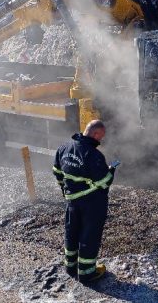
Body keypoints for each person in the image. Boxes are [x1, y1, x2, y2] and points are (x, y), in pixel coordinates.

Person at [52, 120, 116, 284]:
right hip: (92, 203)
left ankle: (70, 266)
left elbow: (57, 171)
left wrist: (65, 190)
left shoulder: (64, 148)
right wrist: (112, 169)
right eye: (101, 136)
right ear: (95, 134)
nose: (101, 140)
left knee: (72, 232)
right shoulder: (93, 155)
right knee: (89, 235)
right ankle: (87, 273)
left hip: (72, 201)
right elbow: (104, 181)